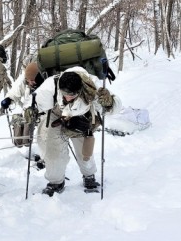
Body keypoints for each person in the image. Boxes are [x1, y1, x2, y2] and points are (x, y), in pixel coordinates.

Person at [29, 65, 121, 196]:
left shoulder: (93, 86)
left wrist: (109, 102)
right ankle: (56, 182)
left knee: (84, 150)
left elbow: (114, 108)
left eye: (71, 95)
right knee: (53, 151)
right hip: (57, 115)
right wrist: (31, 110)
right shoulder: (52, 84)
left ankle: (89, 175)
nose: (67, 98)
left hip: (82, 117)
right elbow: (35, 100)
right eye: (65, 95)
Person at [1, 62, 46, 166]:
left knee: (44, 136)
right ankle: (31, 153)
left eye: (32, 80)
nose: (29, 82)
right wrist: (8, 99)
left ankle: (45, 159)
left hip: (45, 113)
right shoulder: (25, 78)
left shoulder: (46, 83)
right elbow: (15, 91)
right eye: (28, 80)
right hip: (28, 112)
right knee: (24, 140)